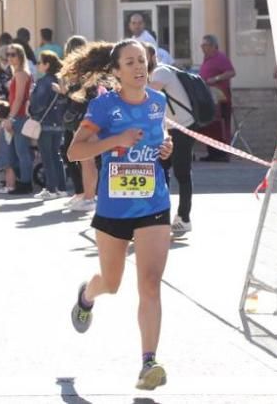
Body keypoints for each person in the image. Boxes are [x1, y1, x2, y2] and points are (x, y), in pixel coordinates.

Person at [65, 40, 174, 391]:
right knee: (111, 283)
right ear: (116, 72)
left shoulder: (158, 102)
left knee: (150, 284)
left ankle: (148, 363)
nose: (139, 67)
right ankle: (87, 296)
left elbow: (159, 135)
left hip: (152, 204)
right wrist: (115, 141)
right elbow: (74, 150)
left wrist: (166, 144)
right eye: (130, 62)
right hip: (114, 208)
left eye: (142, 60)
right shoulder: (103, 107)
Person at [144, 42, 196, 237]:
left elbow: (146, 95)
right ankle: (160, 215)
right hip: (168, 129)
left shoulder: (160, 73)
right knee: (160, 169)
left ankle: (184, 218)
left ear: (151, 57)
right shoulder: (153, 74)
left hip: (182, 127)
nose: (138, 64)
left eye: (141, 58)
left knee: (182, 172)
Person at [59, 35, 98, 212]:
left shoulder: (81, 70)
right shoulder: (89, 68)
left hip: (84, 116)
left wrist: (64, 90)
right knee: (84, 158)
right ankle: (86, 195)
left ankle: (89, 197)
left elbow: (79, 93)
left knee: (86, 159)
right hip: (87, 114)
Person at [31, 50, 68, 199]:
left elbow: (37, 104)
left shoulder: (43, 82)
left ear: (47, 65)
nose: (38, 65)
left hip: (45, 123)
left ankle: (51, 189)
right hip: (59, 124)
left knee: (47, 157)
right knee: (56, 155)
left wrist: (32, 112)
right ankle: (61, 188)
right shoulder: (60, 81)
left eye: (40, 62)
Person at [198, 34, 235, 162]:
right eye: (202, 46)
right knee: (210, 126)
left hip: (221, 100)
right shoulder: (206, 59)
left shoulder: (220, 57)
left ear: (213, 46)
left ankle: (222, 154)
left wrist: (216, 79)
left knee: (220, 127)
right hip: (209, 99)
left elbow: (231, 72)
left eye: (205, 45)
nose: (202, 48)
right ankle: (212, 153)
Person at [6, 43, 35, 193]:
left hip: (20, 116)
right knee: (19, 152)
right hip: (19, 116)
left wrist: (10, 118)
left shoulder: (21, 74)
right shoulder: (19, 73)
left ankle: (25, 183)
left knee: (22, 152)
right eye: (8, 54)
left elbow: (19, 98)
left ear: (20, 56)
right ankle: (23, 181)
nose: (10, 57)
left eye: (13, 54)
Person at [0, 101, 18, 193]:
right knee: (8, 168)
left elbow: (1, 138)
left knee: (9, 168)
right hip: (9, 148)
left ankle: (10, 186)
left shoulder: (4, 124)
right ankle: (8, 185)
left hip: (6, 150)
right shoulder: (8, 122)